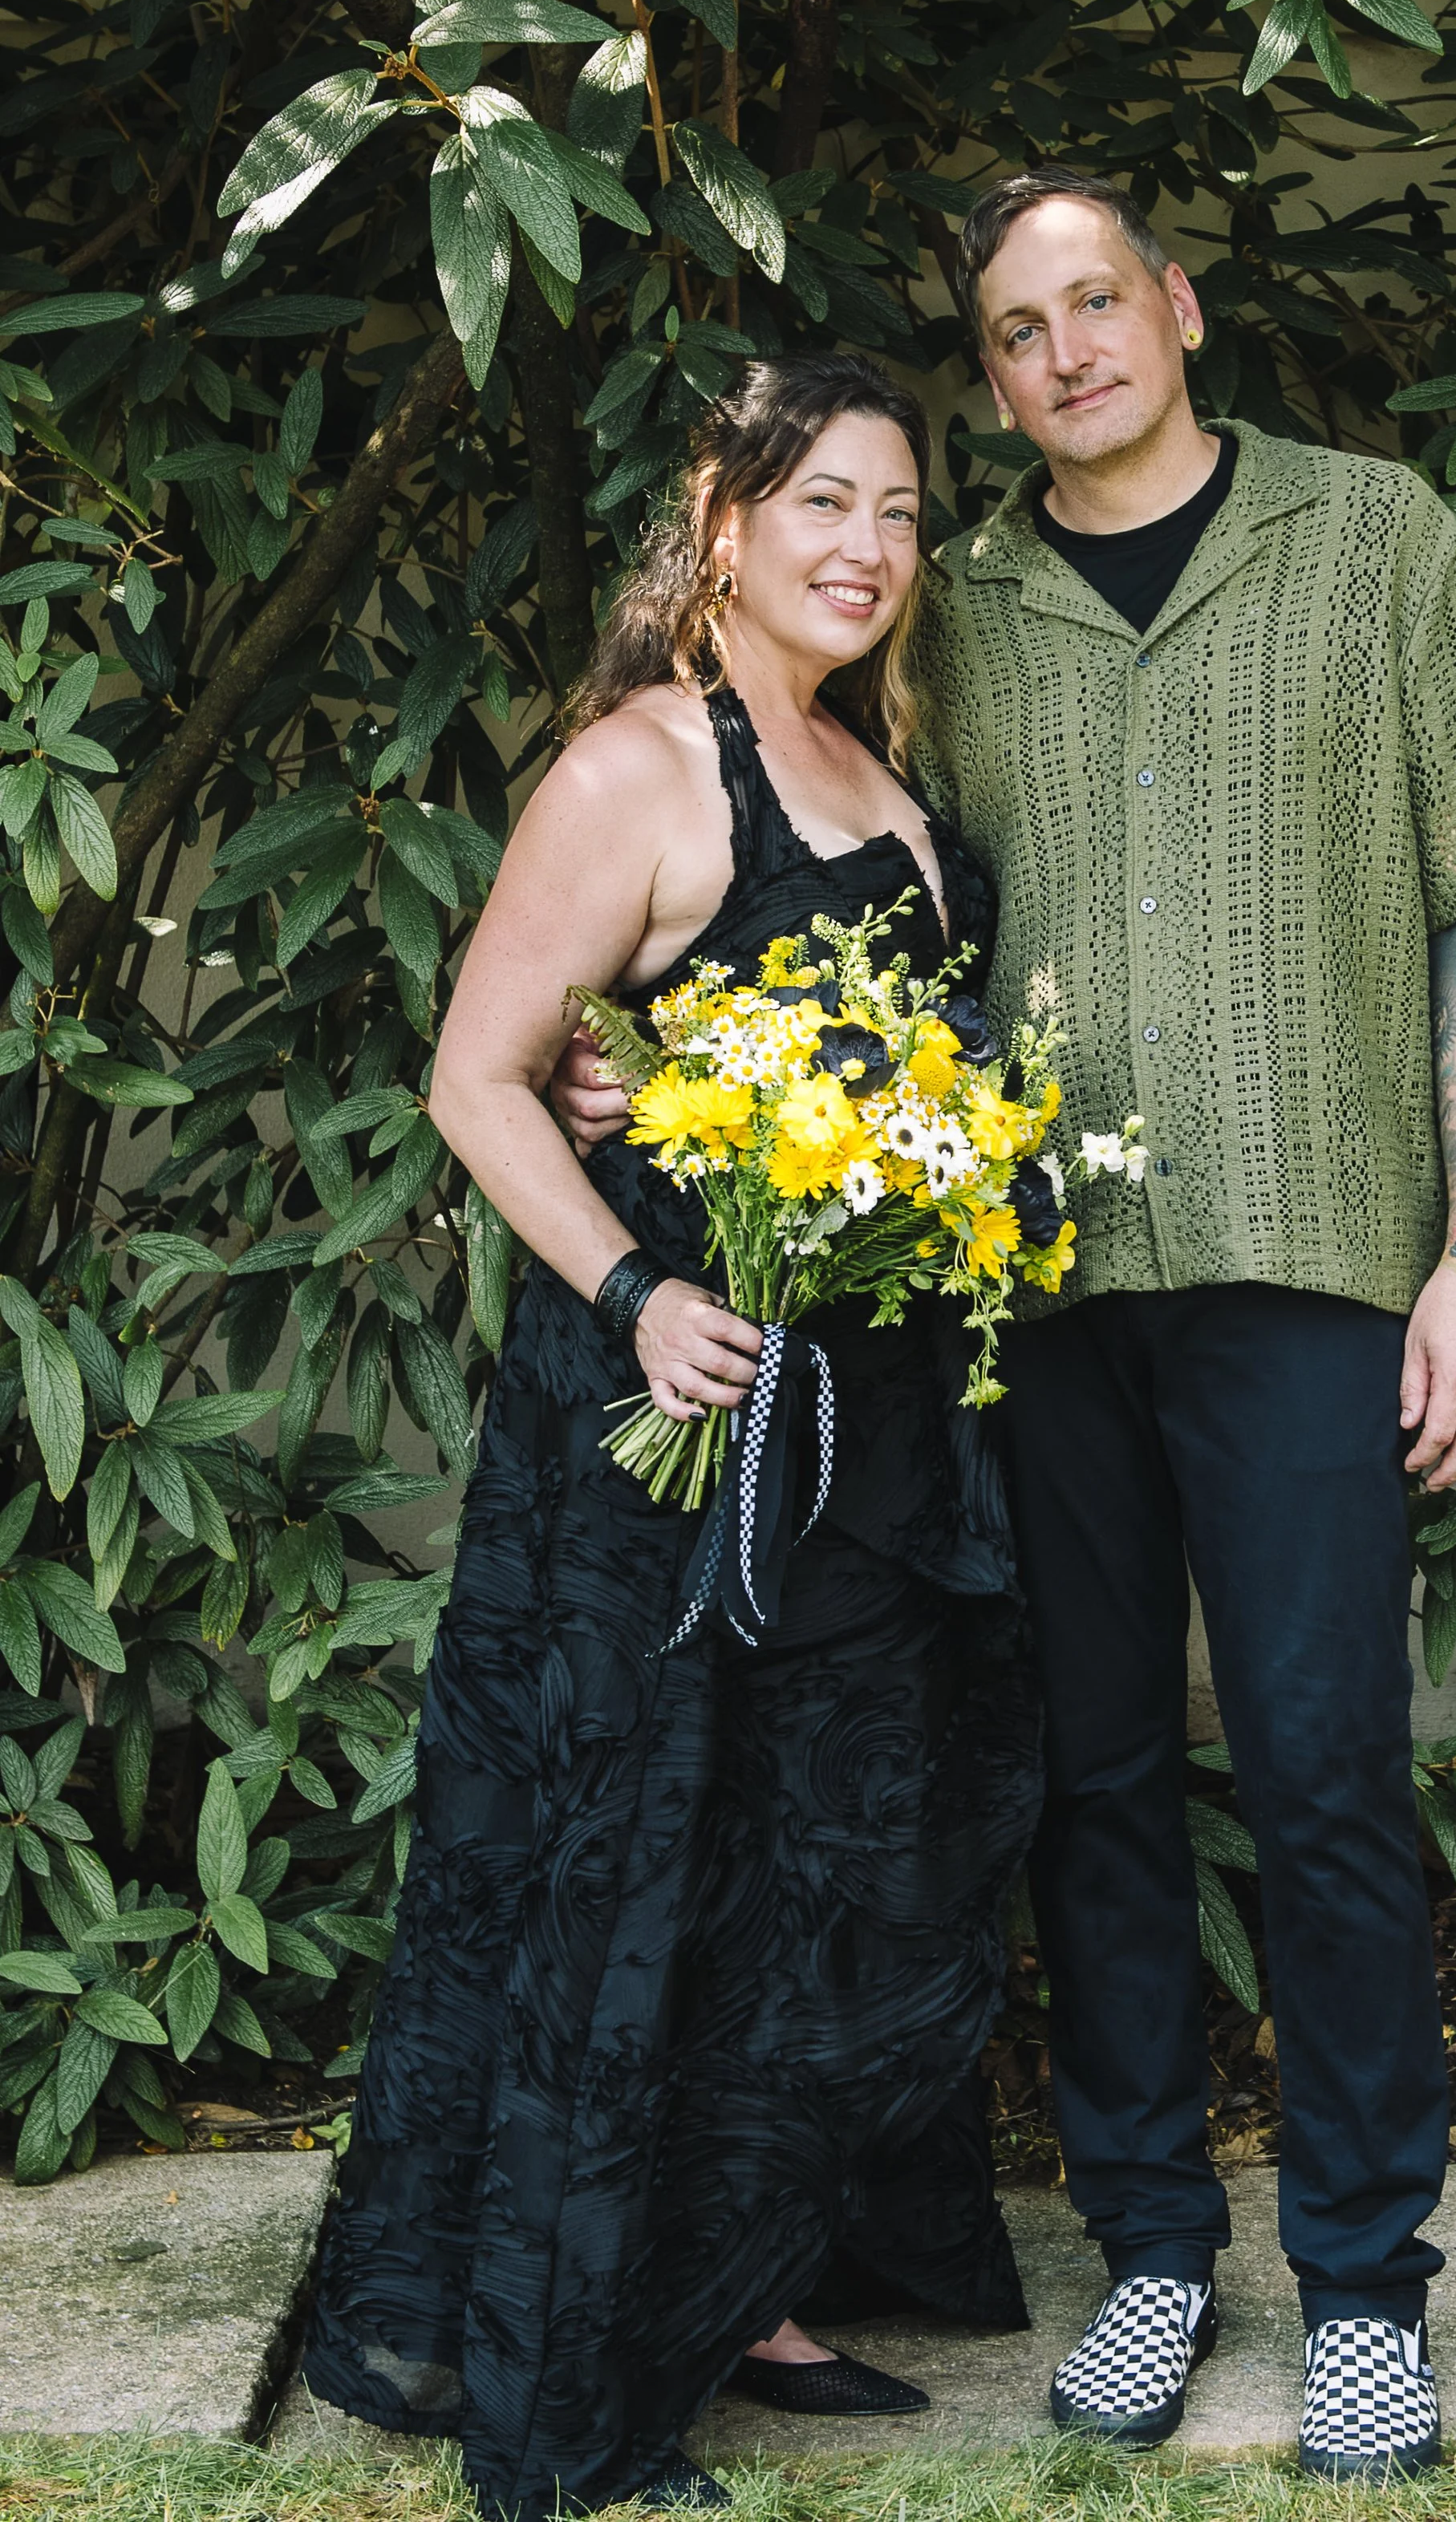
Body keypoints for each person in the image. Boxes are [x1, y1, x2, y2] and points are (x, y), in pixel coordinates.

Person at [555, 172, 1456, 2483]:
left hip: (1317, 1263)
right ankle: (1147, 2247)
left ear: (1177, 309)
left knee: (1322, 1771)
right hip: (1032, 1298)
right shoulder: (959, 606)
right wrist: (632, 1049)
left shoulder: (1372, 540)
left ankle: (1365, 2283)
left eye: (1095, 300)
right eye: (1017, 330)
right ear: (993, 380)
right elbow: (807, 873)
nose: (1066, 350)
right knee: (1091, 1778)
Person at [303, 355, 1041, 2520]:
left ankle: (742, 2282)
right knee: (634, 1858)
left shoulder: (878, 765)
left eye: (899, 513)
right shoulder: (638, 764)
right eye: (824, 502)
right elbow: (476, 1074)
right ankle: (579, 2347)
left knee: (812, 1856)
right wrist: (636, 1291)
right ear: (721, 522)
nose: (867, 549)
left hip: (862, 1430)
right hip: (670, 1417)